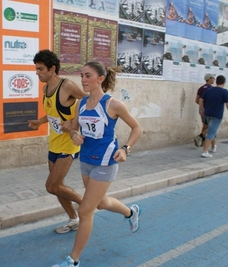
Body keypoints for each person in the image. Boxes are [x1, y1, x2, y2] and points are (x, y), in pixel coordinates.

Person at [53, 61, 142, 267]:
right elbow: (75, 129)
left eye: (88, 76)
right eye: (82, 75)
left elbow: (137, 128)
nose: (83, 80)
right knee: (101, 203)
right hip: (85, 161)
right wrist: (74, 134)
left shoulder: (113, 105)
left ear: (100, 79)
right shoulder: (81, 104)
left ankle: (73, 260)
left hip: (106, 163)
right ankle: (131, 212)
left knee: (85, 211)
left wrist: (125, 149)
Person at [29, 50, 87, 234]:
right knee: (57, 188)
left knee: (51, 186)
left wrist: (73, 122)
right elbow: (53, 112)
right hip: (53, 143)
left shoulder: (67, 86)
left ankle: (87, 205)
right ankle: (73, 219)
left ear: (52, 68)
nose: (37, 73)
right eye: (36, 69)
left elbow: (88, 101)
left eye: (40, 69)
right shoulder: (45, 88)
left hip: (69, 143)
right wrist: (40, 121)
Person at [199, 75, 228, 158]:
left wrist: (201, 109)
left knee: (213, 130)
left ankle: (213, 147)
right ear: (224, 82)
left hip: (207, 114)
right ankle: (204, 151)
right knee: (211, 132)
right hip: (217, 115)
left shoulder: (209, 90)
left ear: (216, 81)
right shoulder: (224, 91)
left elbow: (201, 99)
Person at [193, 73, 215, 147]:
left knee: (205, 125)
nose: (214, 79)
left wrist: (202, 106)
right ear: (209, 79)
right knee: (211, 126)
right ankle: (200, 137)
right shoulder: (212, 89)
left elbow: (197, 100)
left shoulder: (201, 88)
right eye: (212, 78)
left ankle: (202, 141)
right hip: (210, 110)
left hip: (202, 110)